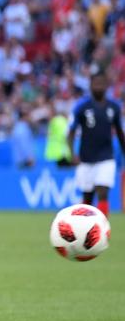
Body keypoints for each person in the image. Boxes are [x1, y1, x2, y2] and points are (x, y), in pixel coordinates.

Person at [67, 70, 125, 217]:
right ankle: (84, 231)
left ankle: (102, 229)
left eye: (101, 83)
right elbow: (71, 132)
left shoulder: (114, 107)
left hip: (106, 157)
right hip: (86, 158)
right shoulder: (82, 107)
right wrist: (71, 153)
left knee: (103, 191)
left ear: (106, 85)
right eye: (96, 83)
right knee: (87, 197)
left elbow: (119, 133)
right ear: (91, 85)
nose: (99, 86)